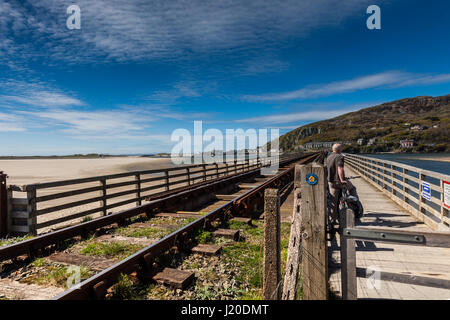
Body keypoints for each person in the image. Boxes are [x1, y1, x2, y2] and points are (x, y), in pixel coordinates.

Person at [326, 143, 359, 221]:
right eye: (341, 149)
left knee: (333, 200)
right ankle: (354, 205)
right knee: (352, 189)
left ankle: (333, 218)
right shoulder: (340, 156)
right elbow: (340, 168)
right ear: (339, 149)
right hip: (339, 181)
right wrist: (342, 180)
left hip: (331, 181)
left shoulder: (329, 157)